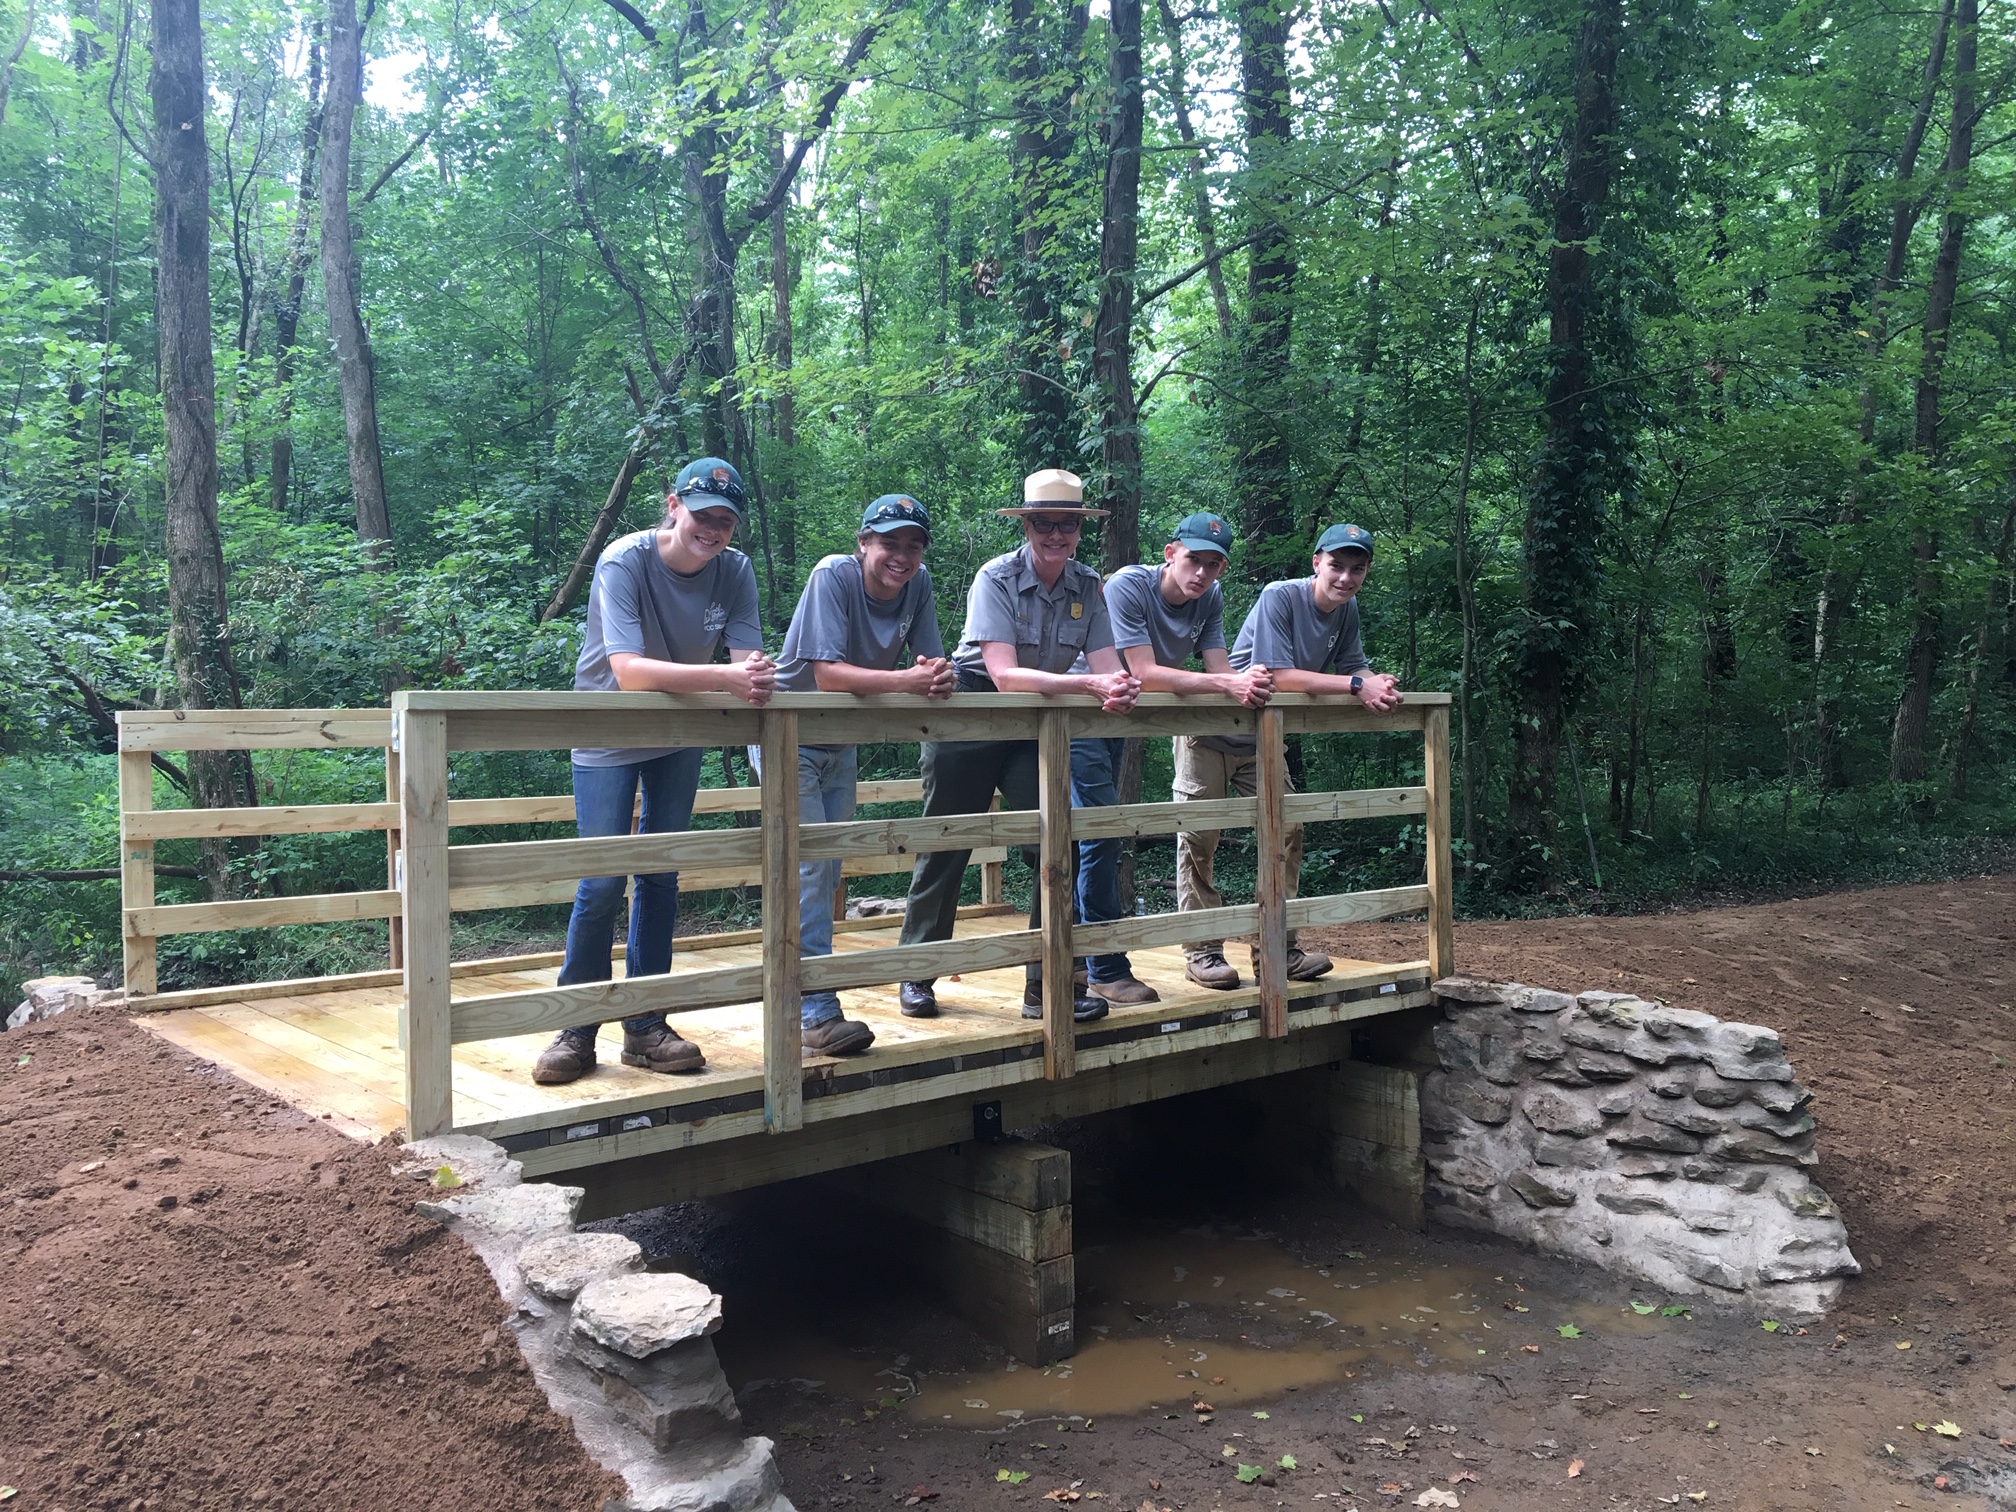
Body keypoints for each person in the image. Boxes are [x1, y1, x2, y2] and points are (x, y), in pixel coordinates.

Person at [532, 457, 777, 1086]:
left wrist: (750, 675)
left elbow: (749, 663)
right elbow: (630, 672)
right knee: (603, 879)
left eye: (726, 521)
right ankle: (576, 1027)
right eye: (703, 515)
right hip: (610, 730)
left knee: (661, 872)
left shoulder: (736, 571)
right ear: (674, 505)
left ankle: (645, 1026)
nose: (714, 529)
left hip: (682, 731)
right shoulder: (625, 559)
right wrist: (728, 677)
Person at [895, 469, 1141, 1024]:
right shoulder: (996, 576)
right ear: (1026, 525)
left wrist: (1121, 686)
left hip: (1035, 721)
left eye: (1068, 525)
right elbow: (1004, 674)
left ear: (1080, 529)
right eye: (1044, 524)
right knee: (948, 840)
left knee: (1056, 841)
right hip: (974, 711)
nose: (1056, 535)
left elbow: (1107, 667)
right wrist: (1094, 685)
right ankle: (918, 972)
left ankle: (1047, 982)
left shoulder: (1087, 584)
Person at [757, 494, 955, 1055]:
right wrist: (909, 684)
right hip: (788, 736)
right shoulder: (832, 576)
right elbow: (825, 675)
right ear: (863, 542)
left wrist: (939, 676)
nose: (901, 556)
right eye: (889, 543)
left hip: (840, 744)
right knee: (811, 869)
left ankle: (799, 993)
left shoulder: (918, 585)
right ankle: (814, 1010)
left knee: (826, 868)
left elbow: (930, 661)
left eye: (912, 546)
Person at [1174, 522, 1404, 990]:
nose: (1345, 578)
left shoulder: (1346, 609)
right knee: (1200, 837)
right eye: (1336, 566)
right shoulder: (1280, 594)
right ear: (1316, 562)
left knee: (1288, 829)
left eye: (1356, 570)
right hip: (1211, 733)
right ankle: (1202, 952)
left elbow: (1352, 665)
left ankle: (1278, 948)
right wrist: (1359, 685)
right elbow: (1279, 674)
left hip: (1264, 738)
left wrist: (1376, 682)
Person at [1066, 512, 1271, 1005]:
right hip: (1078, 713)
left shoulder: (1210, 599)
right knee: (1101, 835)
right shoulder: (1127, 586)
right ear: (1170, 553)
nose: (1201, 573)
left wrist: (1253, 686)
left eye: (1213, 565)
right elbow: (1144, 671)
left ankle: (1075, 959)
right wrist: (1229, 683)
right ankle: (1105, 968)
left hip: (1120, 720)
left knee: (1087, 838)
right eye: (1194, 560)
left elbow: (1220, 669)